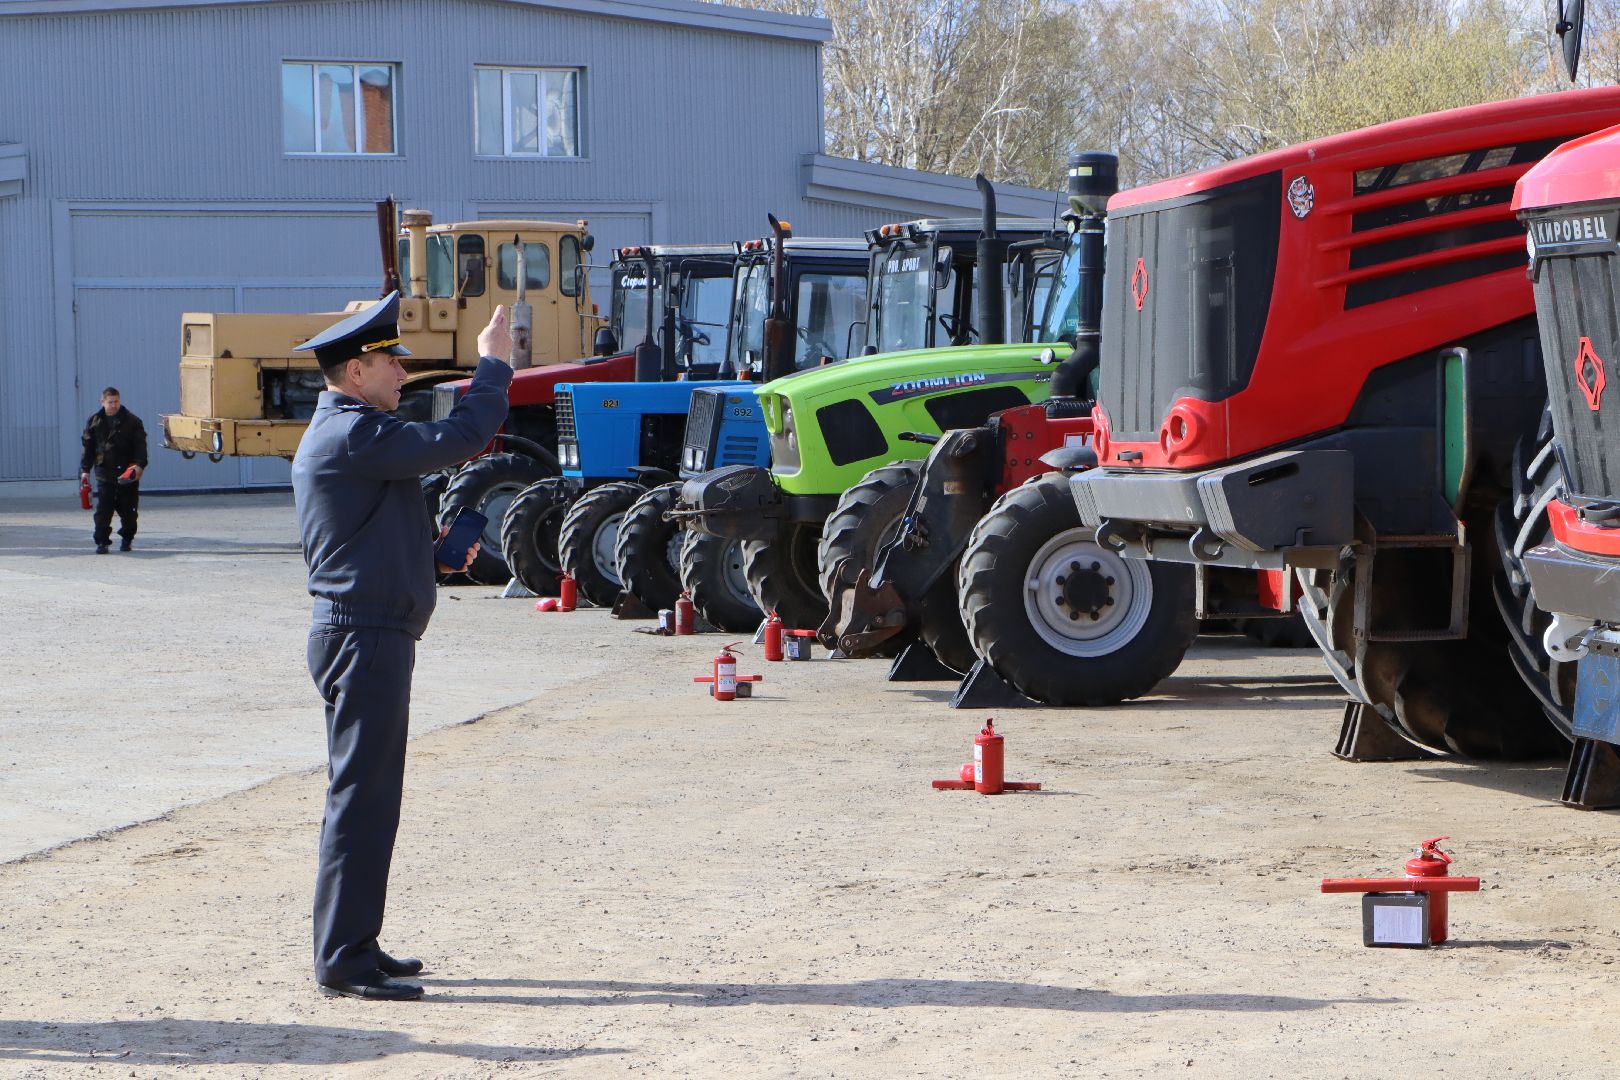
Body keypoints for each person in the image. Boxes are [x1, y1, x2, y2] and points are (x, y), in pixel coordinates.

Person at [291, 292, 513, 1001]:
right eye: (391, 361)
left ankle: (358, 941)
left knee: (370, 796)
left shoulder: (356, 432)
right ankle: (344, 958)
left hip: (368, 630)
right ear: (356, 371)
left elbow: (372, 531)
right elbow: (459, 437)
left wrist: (436, 557)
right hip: (364, 635)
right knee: (361, 797)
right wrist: (494, 367)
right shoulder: (355, 432)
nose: (400, 373)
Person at [80, 387, 149, 554]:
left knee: (129, 511)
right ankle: (102, 542)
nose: (113, 405)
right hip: (105, 473)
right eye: (110, 402)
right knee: (103, 510)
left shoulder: (132, 421)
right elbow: (88, 448)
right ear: (102, 402)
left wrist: (139, 465)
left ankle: (127, 539)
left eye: (116, 401)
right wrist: (85, 470)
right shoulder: (95, 421)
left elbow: (141, 447)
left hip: (127, 474)